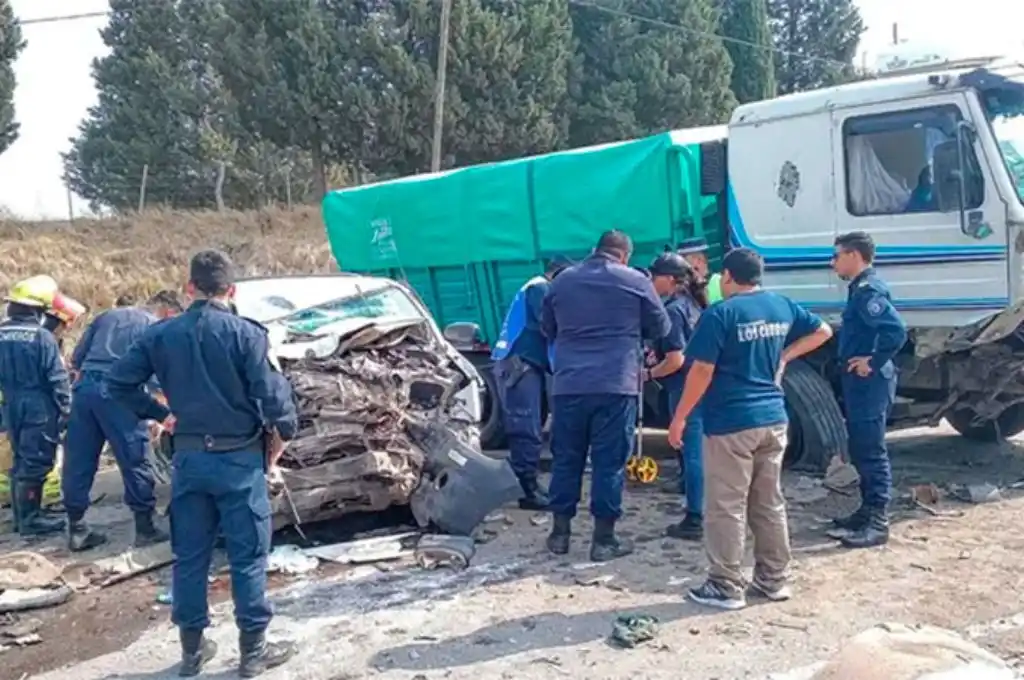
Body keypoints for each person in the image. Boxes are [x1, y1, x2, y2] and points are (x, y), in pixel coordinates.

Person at [106, 250, 299, 677]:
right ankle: (253, 653)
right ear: (230, 291)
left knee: (190, 556)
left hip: (190, 461)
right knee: (247, 555)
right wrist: (282, 436)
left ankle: (192, 653)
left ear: (189, 287)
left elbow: (116, 383)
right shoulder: (247, 334)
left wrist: (160, 415)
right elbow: (273, 397)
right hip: (239, 460)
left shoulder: (161, 335)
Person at [668, 248, 833, 610]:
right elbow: (823, 330)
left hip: (731, 423)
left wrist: (680, 416)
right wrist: (786, 356)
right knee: (768, 501)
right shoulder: (781, 306)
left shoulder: (721, 314)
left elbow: (701, 371)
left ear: (727, 276)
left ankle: (725, 585)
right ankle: (773, 579)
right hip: (773, 418)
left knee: (726, 505)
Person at [542, 230, 671, 562]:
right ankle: (603, 540)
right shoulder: (635, 281)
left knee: (566, 459)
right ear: (624, 255)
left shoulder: (562, 281)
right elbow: (661, 327)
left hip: (569, 384)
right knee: (609, 463)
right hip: (616, 384)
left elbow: (548, 329)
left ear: (595, 250)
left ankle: (559, 535)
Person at [62, 290, 184, 552]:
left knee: (78, 459)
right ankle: (145, 528)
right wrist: (164, 414)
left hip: (85, 393)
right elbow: (157, 378)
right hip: (119, 395)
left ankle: (77, 528)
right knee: (134, 457)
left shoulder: (106, 316)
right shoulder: (153, 327)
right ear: (168, 312)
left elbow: (78, 359)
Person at [830, 231, 907, 549]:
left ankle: (878, 521)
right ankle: (866, 510)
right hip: (860, 383)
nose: (832, 263)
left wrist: (872, 362)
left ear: (853, 256)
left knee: (872, 450)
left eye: (836, 256)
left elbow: (895, 331)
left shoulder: (868, 290)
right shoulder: (859, 289)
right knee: (861, 447)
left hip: (870, 383)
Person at [491, 256, 572, 510]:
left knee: (531, 427)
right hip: (519, 366)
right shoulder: (539, 288)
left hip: (524, 365)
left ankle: (529, 485)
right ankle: (526, 490)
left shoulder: (536, 287)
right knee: (526, 429)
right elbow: (550, 324)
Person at [0, 275, 70, 537]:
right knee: (36, 462)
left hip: (10, 405)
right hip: (37, 406)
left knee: (19, 460)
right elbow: (57, 378)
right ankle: (31, 520)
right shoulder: (42, 337)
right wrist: (67, 409)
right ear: (37, 310)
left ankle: (21, 518)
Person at [646, 252, 708, 541]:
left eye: (654, 276)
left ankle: (696, 517)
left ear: (670, 280)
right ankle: (691, 492)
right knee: (692, 450)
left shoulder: (672, 310)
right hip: (698, 384)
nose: (650, 281)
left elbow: (676, 360)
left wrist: (647, 374)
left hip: (684, 386)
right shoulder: (693, 303)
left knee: (693, 451)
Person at [677, 237, 723, 304]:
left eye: (684, 260)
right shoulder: (684, 286)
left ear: (698, 260)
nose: (681, 265)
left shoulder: (719, 283)